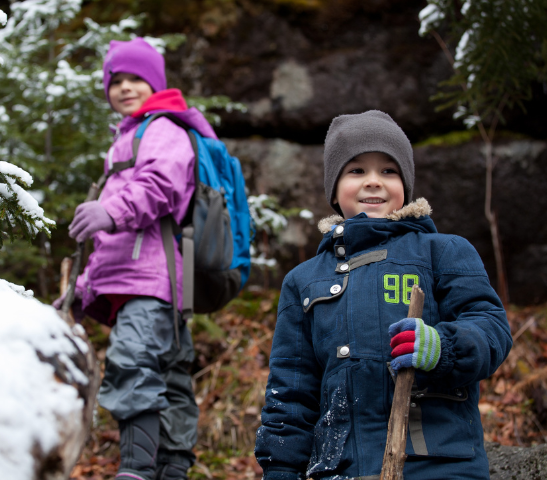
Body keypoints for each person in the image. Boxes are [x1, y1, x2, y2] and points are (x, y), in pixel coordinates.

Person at [254, 110, 512, 480]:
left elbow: (491, 328)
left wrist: (443, 347)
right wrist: (280, 470)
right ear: (334, 187)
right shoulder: (304, 281)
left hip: (436, 465)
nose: (373, 182)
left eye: (388, 171)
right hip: (340, 470)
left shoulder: (443, 252)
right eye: (356, 170)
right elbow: (290, 392)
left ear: (405, 183)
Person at [55, 38, 218, 480]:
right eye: (116, 80)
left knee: (133, 361)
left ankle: (136, 470)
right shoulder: (130, 135)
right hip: (142, 279)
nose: (125, 87)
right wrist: (79, 290)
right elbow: (110, 245)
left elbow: (162, 186)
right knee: (167, 375)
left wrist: (110, 210)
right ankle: (169, 470)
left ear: (156, 82)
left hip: (153, 280)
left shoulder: (162, 128)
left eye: (136, 79)